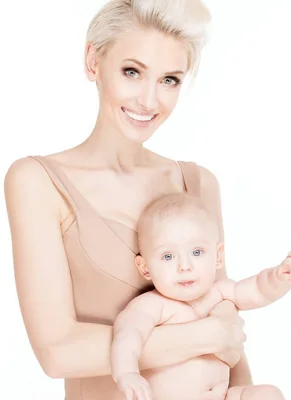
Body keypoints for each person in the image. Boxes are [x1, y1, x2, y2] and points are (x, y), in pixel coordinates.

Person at [3, 0, 257, 399]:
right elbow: (57, 352)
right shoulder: (38, 182)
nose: (149, 101)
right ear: (93, 62)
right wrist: (206, 334)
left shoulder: (198, 184)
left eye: (169, 80)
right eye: (132, 72)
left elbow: (229, 349)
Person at [110, 192, 291, 400]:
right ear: (145, 268)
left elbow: (257, 291)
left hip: (224, 396)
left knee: (268, 394)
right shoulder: (150, 305)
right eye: (168, 256)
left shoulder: (220, 291)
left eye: (196, 252)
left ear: (217, 256)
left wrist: (279, 276)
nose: (185, 266)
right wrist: (127, 373)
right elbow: (127, 336)